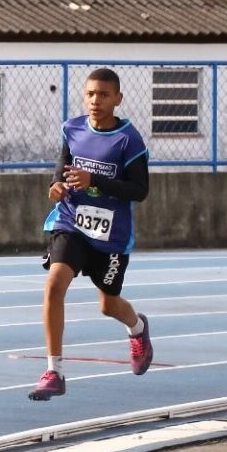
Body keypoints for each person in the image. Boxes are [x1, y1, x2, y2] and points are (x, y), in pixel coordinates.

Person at [31, 67, 152, 400]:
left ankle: (138, 328)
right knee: (54, 285)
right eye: (90, 94)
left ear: (117, 99)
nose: (95, 101)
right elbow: (63, 167)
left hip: (111, 235)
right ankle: (54, 371)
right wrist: (56, 185)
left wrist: (95, 180)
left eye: (103, 95)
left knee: (108, 305)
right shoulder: (73, 129)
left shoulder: (129, 140)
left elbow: (139, 190)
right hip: (71, 222)